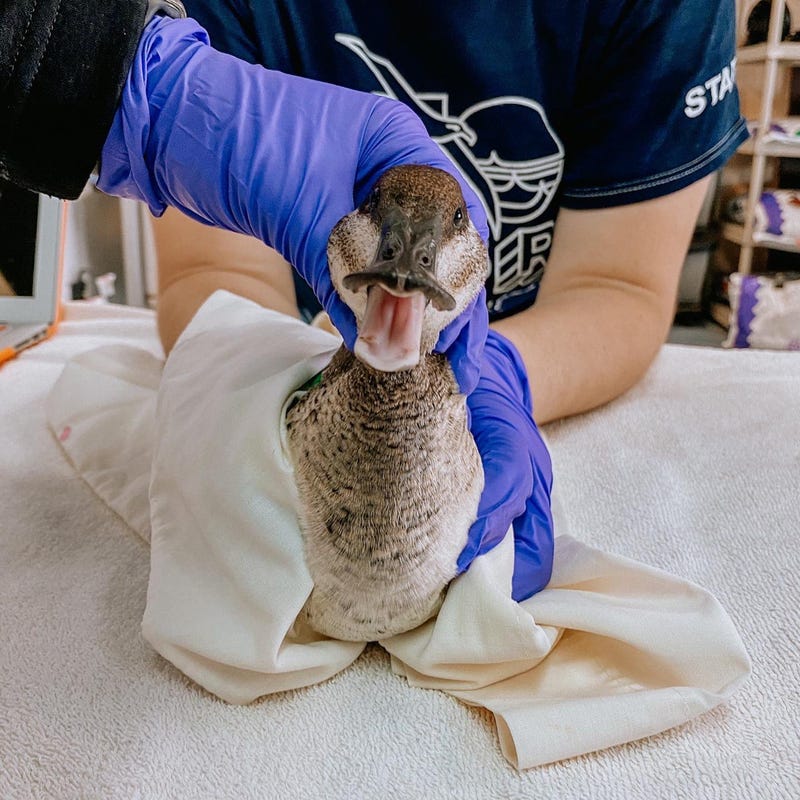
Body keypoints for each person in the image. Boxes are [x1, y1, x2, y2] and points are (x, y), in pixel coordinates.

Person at [0, 0, 745, 603]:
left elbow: (617, 287)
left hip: (527, 351)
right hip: (302, 342)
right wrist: (286, 389)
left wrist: (492, 379)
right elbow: (210, 273)